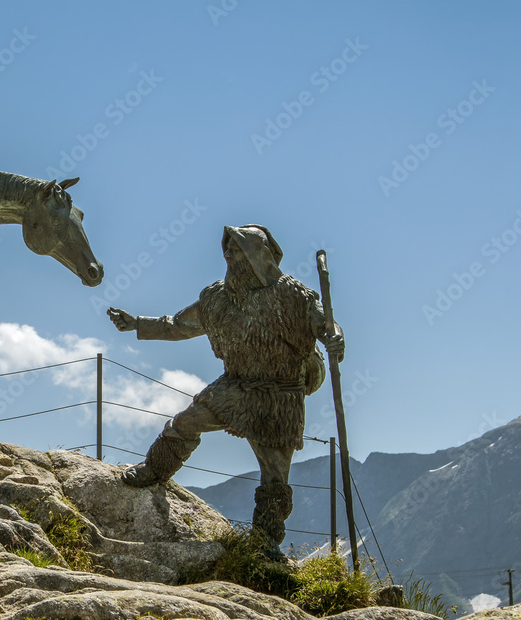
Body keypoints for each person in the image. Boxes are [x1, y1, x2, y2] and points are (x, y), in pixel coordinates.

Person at [107, 225, 344, 558]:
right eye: (228, 250)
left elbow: (325, 325)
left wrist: (334, 337)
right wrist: (137, 323)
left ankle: (265, 545)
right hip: (236, 386)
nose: (230, 255)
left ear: (261, 254)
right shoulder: (217, 298)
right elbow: (177, 325)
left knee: (275, 477)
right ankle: (154, 470)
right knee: (186, 422)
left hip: (281, 398)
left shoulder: (296, 295)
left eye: (238, 249)